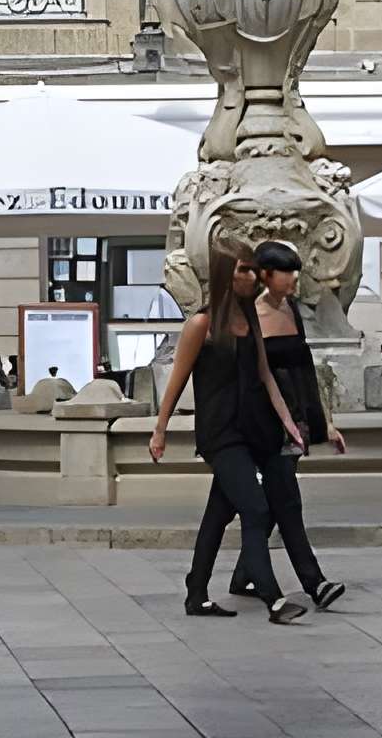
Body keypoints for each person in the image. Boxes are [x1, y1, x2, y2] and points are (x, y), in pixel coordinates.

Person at [146, 245, 312, 625]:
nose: (251, 278)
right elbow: (178, 379)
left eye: (254, 271)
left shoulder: (250, 319)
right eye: (243, 271)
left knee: (217, 515)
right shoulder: (201, 324)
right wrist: (160, 429)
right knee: (256, 509)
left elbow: (266, 375)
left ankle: (196, 593)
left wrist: (287, 422)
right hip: (220, 434)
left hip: (252, 428)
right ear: (225, 275)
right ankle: (272, 598)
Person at [187, 242, 349, 615]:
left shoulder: (290, 310)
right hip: (252, 425)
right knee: (277, 503)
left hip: (285, 419)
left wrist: (322, 424)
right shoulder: (248, 314)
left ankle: (224, 581)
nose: (293, 278)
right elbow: (252, 375)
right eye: (286, 271)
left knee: (251, 507)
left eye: (295, 270)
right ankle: (303, 585)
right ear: (265, 274)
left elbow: (304, 371)